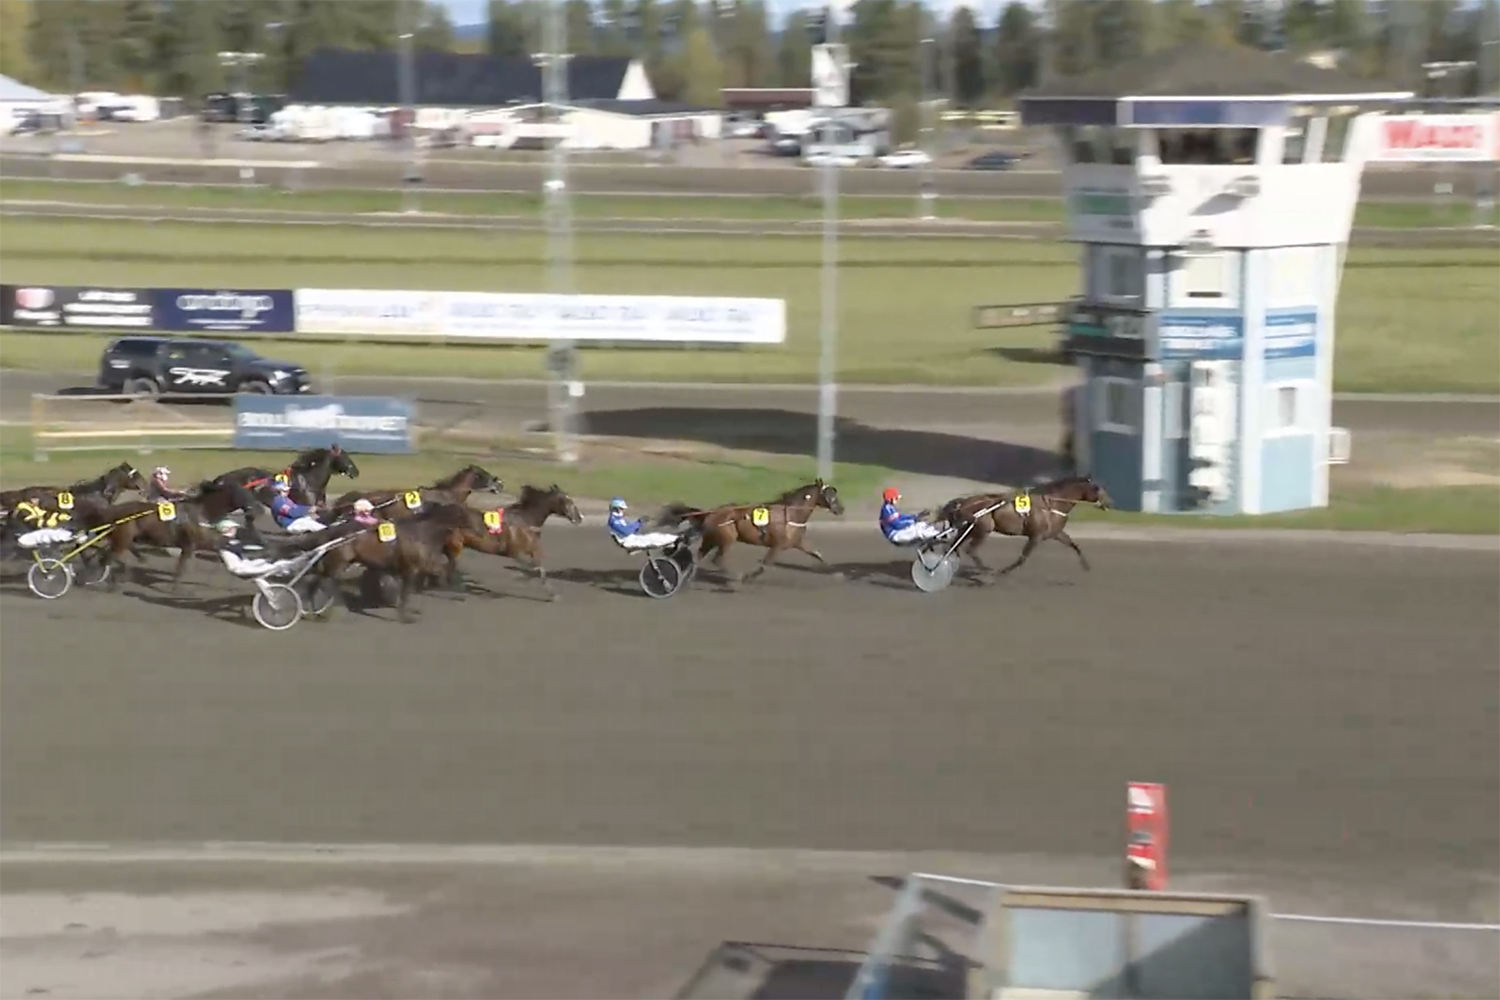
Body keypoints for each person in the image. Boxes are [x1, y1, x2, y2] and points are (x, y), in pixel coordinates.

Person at [606, 497, 683, 551]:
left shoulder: (618, 518)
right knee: (653, 538)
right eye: (621, 508)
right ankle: (675, 539)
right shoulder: (614, 520)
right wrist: (639, 522)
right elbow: (627, 531)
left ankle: (674, 541)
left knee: (654, 536)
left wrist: (640, 522)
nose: (623, 510)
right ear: (615, 508)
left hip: (631, 538)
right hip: (628, 541)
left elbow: (630, 529)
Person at [879, 487, 945, 545]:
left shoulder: (890, 508)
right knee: (918, 531)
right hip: (896, 535)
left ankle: (939, 534)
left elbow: (901, 517)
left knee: (921, 524)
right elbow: (898, 524)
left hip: (899, 532)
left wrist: (917, 516)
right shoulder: (887, 510)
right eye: (896, 498)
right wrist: (914, 520)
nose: (897, 500)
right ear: (890, 499)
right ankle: (940, 536)